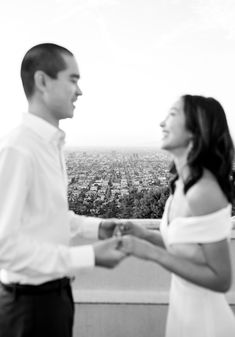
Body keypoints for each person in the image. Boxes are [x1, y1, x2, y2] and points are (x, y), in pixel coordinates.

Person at [0, 43, 126, 337]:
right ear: (42, 81)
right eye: (73, 79)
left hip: (53, 299)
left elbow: (50, 217)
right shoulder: (18, 149)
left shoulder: (49, 146)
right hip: (27, 308)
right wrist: (89, 256)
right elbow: (4, 247)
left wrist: (99, 228)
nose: (79, 91)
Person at [119, 95, 235, 336]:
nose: (162, 123)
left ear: (195, 130)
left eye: (172, 114)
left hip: (206, 323)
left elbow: (222, 279)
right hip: (183, 314)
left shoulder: (203, 192)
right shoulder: (181, 185)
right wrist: (146, 236)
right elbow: (187, 248)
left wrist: (152, 254)